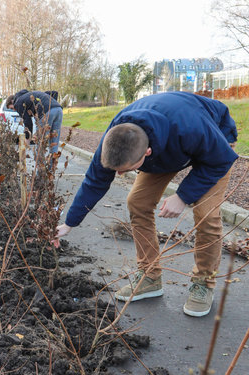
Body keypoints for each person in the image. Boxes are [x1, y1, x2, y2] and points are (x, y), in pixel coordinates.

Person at [56, 91, 238, 317]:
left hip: (213, 144)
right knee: (137, 202)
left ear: (147, 152)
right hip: (170, 146)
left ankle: (204, 283)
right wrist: (70, 223)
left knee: (205, 214)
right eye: (117, 170)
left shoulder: (191, 127)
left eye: (127, 169)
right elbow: (95, 181)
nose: (120, 174)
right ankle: (149, 276)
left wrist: (182, 196)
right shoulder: (114, 138)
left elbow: (221, 161)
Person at [6, 90, 63, 154]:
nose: (14, 110)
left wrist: (28, 138)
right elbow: (55, 93)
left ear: (12, 101)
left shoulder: (18, 103)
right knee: (54, 142)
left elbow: (27, 121)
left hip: (46, 112)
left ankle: (40, 163)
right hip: (59, 110)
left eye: (11, 108)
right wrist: (52, 107)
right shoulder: (32, 94)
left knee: (40, 144)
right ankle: (52, 163)